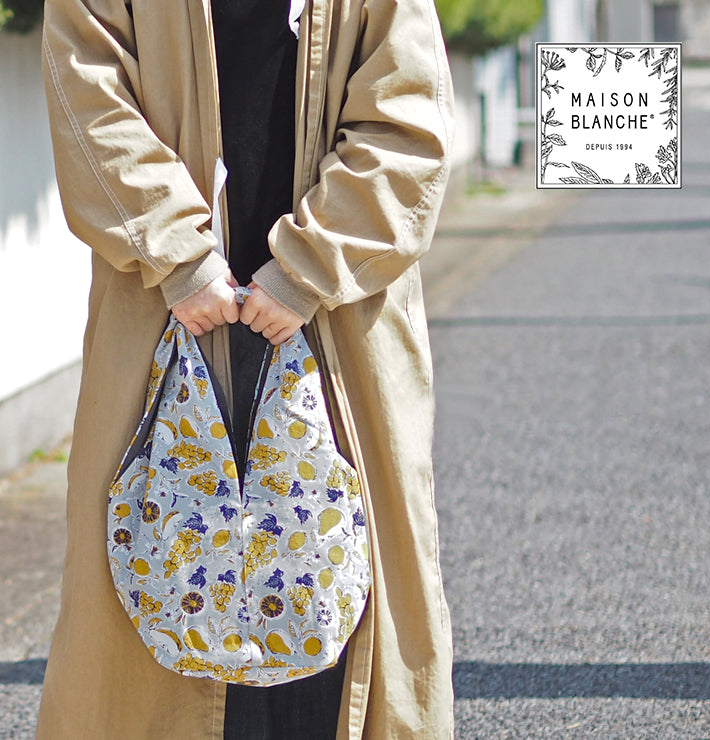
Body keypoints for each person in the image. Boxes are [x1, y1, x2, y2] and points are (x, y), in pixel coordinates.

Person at [37, 0, 455, 737]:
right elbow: (88, 96)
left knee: (345, 602)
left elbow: (407, 125)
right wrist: (178, 255)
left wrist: (306, 269)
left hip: (339, 316)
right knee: (153, 572)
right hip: (163, 306)